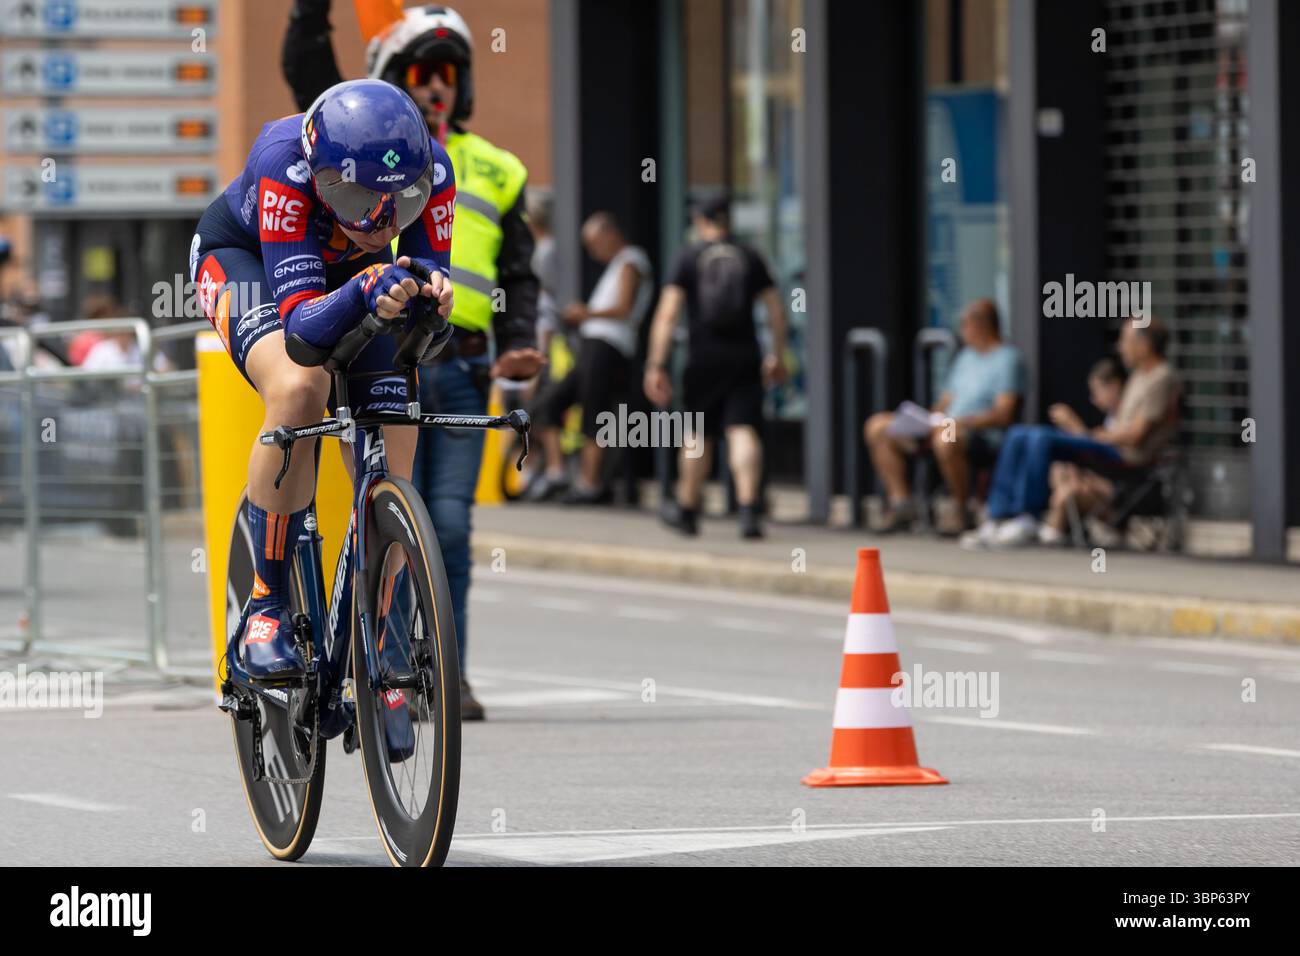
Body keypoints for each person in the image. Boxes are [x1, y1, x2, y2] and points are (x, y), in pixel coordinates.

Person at [283, 1, 545, 721]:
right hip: (378, 343)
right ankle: (387, 672)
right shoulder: (356, 132)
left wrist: (522, 339)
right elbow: (311, 79)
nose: (437, 88)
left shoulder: (495, 165)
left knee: (449, 528)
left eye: (450, 74)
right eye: (421, 73)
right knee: (391, 511)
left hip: (459, 360)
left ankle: (442, 671)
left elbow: (520, 272)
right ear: (395, 77)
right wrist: (312, 13)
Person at [191, 78, 456, 759]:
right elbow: (306, 331)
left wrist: (432, 300)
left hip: (355, 282)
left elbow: (425, 310)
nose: (376, 219)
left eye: (397, 202)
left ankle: (384, 646)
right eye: (354, 198)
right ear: (324, 175)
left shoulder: (432, 173)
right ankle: (267, 603)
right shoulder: (286, 162)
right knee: (301, 389)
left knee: (395, 444)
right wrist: (370, 280)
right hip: (249, 264)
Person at [961, 317, 1180, 549]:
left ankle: (1027, 515)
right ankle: (998, 515)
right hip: (1110, 444)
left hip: (1128, 455)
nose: (1119, 346)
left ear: (1144, 345)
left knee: (1041, 438)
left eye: (1125, 340)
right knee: (1018, 434)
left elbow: (1135, 436)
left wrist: (1086, 433)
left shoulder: (1162, 378)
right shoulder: (1138, 376)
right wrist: (1088, 433)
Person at [643, 196, 788, 539]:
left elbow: (666, 316)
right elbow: (776, 312)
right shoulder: (750, 256)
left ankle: (688, 509)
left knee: (697, 434)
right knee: (742, 430)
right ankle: (749, 510)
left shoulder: (688, 257)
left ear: (699, 221)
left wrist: (656, 364)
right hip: (745, 356)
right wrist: (778, 356)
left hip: (702, 358)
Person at [864, 299, 1022, 534]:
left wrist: (957, 422)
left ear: (981, 326)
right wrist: (927, 418)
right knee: (877, 426)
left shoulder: (1008, 359)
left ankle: (961, 509)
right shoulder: (966, 358)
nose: (962, 330)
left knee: (946, 438)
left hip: (977, 433)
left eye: (965, 324)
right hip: (944, 424)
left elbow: (1003, 414)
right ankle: (902, 503)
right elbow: (946, 401)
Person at [529, 212, 654, 504]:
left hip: (608, 346)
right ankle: (558, 472)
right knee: (550, 405)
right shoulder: (620, 263)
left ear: (611, 234)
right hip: (594, 346)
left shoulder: (631, 260)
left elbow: (623, 307)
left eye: (595, 244)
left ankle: (589, 483)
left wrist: (586, 313)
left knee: (594, 414)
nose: (594, 252)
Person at [1037, 356, 1125, 545]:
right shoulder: (1111, 419)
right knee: (1061, 470)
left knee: (1067, 492)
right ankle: (1057, 526)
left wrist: (1075, 427)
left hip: (1115, 486)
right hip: (1099, 479)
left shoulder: (1125, 418)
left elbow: (1108, 453)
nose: (1093, 399)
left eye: (1097, 391)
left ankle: (1054, 527)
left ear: (1115, 386)